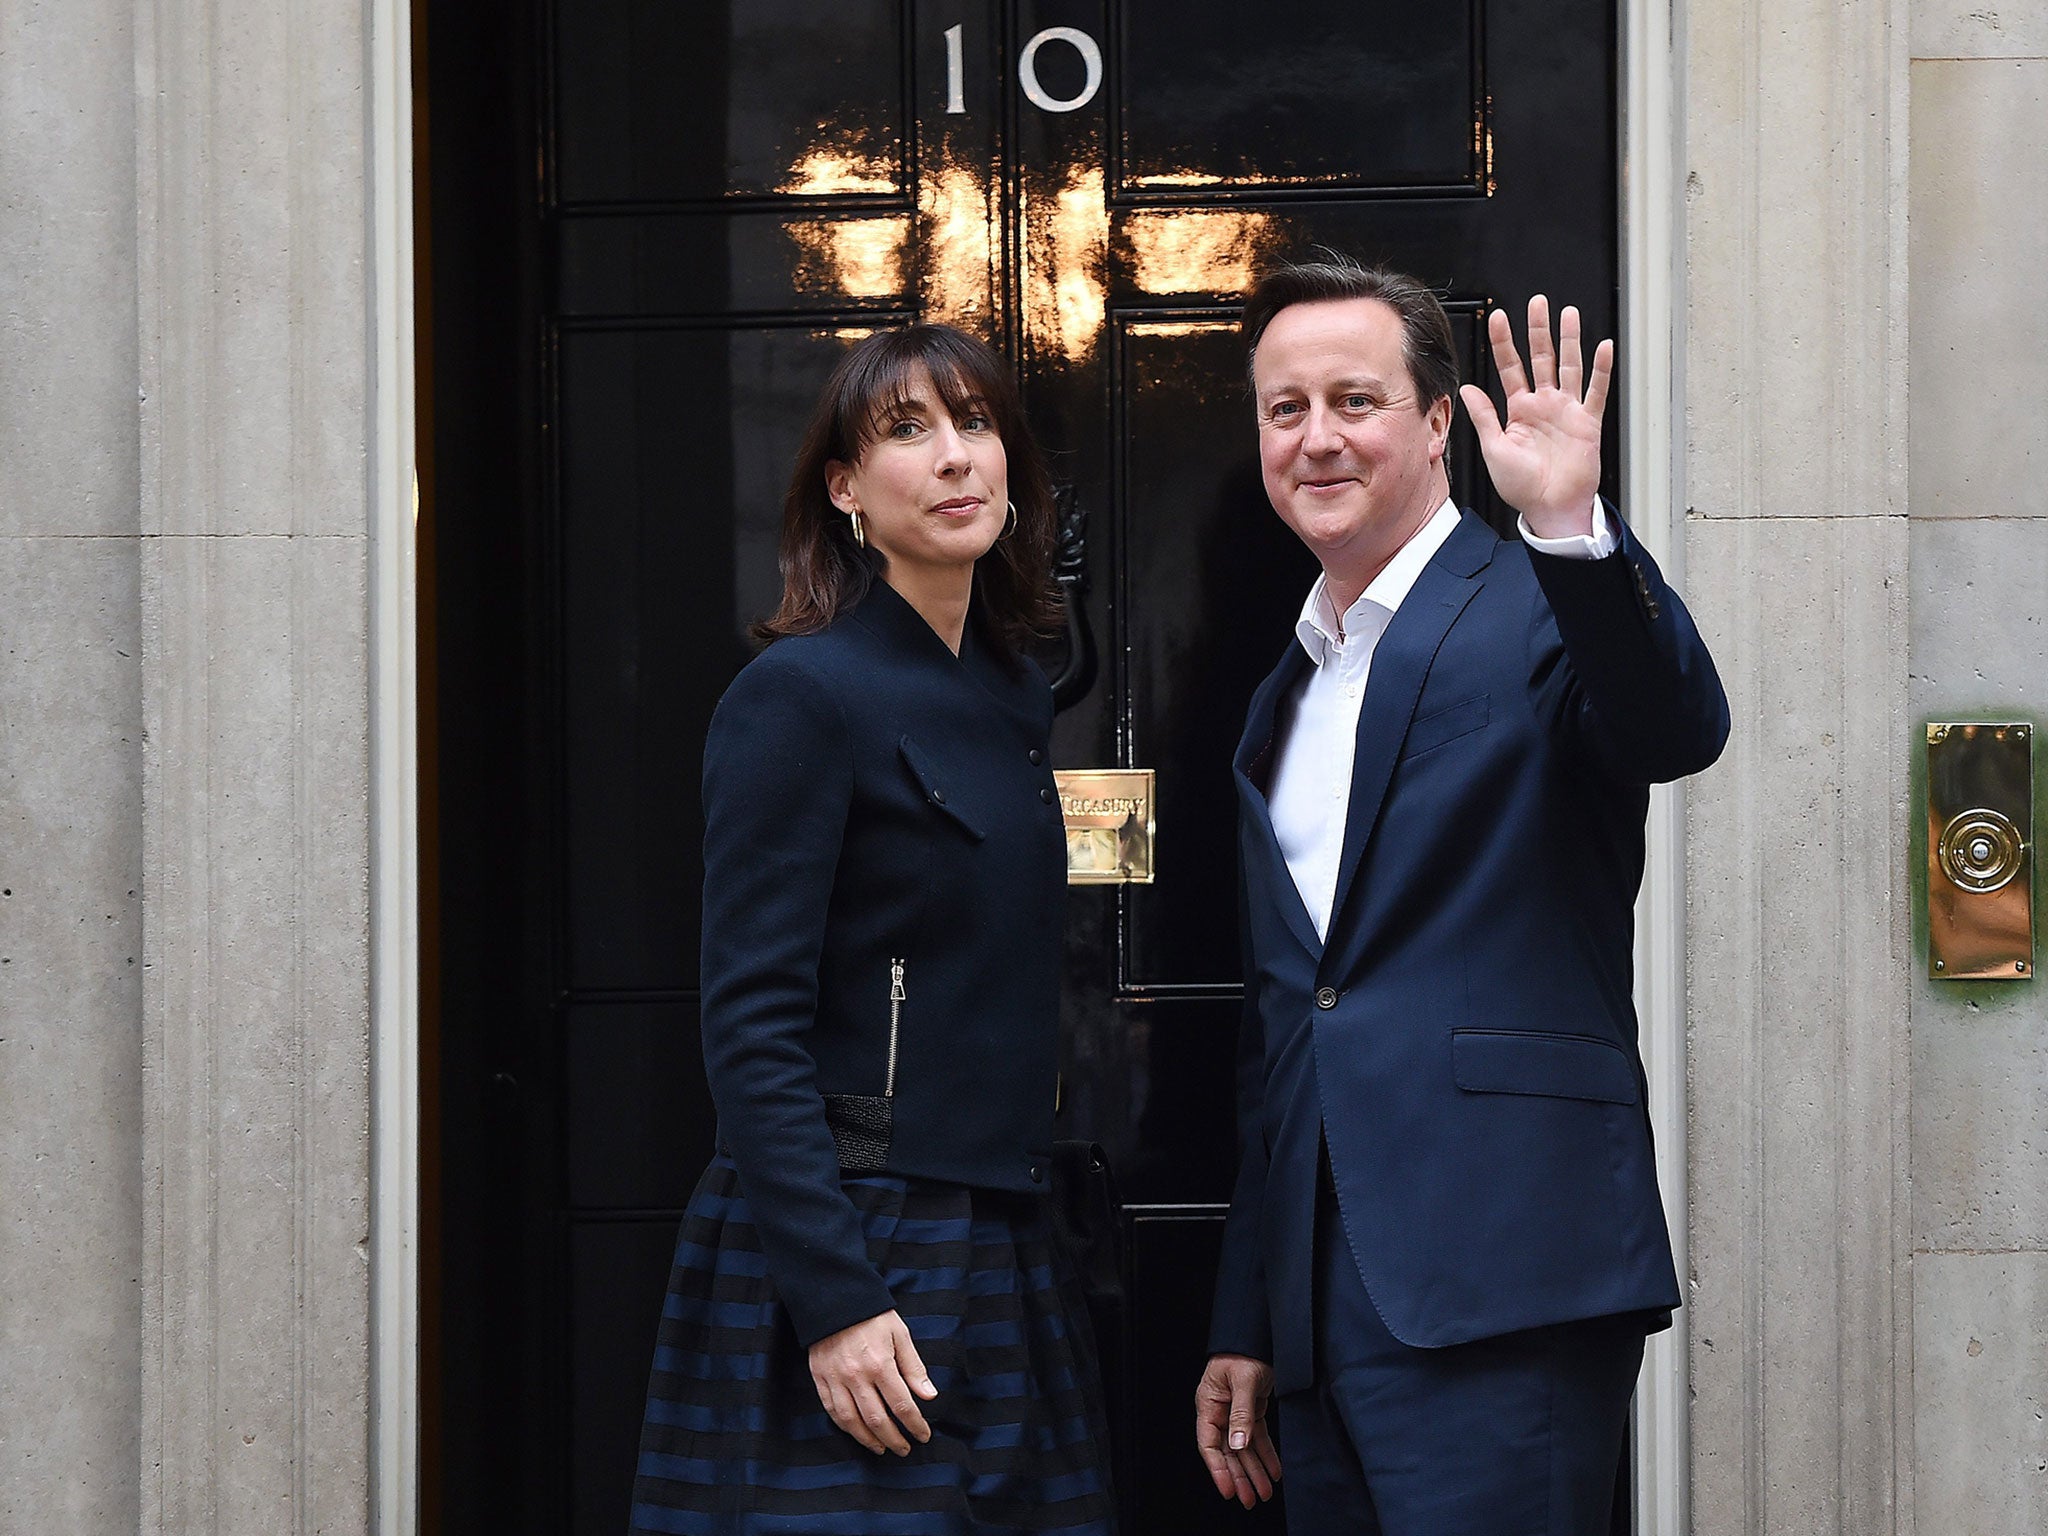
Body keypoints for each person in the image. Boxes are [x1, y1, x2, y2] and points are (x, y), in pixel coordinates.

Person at [1192, 259, 1730, 1535]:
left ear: (1438, 423)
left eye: (1354, 400)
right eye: (1283, 409)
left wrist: (1568, 529)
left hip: (1507, 1275)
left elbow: (1672, 726)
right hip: (1321, 1318)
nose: (1315, 437)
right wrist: (1251, 1316)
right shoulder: (1284, 695)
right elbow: (1289, 1031)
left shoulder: (1537, 605)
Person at [629, 325, 1116, 1535]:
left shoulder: (1006, 688)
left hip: (998, 1234)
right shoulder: (797, 695)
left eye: (974, 424)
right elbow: (751, 1024)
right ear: (842, 489)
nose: (954, 458)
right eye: (906, 431)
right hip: (852, 1232)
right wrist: (833, 1297)